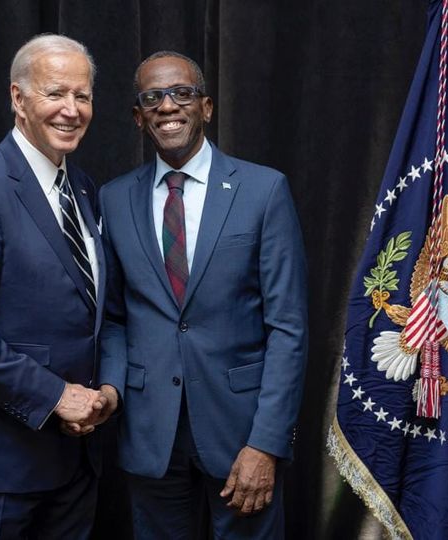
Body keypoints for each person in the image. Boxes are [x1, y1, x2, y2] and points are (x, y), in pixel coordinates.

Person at [96, 51, 308, 539]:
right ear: (138, 115)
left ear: (206, 107)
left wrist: (267, 443)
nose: (167, 106)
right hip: (151, 434)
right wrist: (111, 387)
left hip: (241, 433)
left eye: (182, 93)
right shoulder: (114, 197)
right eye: (153, 97)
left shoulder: (263, 190)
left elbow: (288, 329)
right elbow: (112, 317)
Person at [0, 34, 110, 538]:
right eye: (56, 93)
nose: (71, 110)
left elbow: (90, 311)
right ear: (18, 98)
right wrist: (56, 396)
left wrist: (95, 401)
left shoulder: (83, 188)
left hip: (77, 459)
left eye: (83, 95)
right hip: (0, 464)